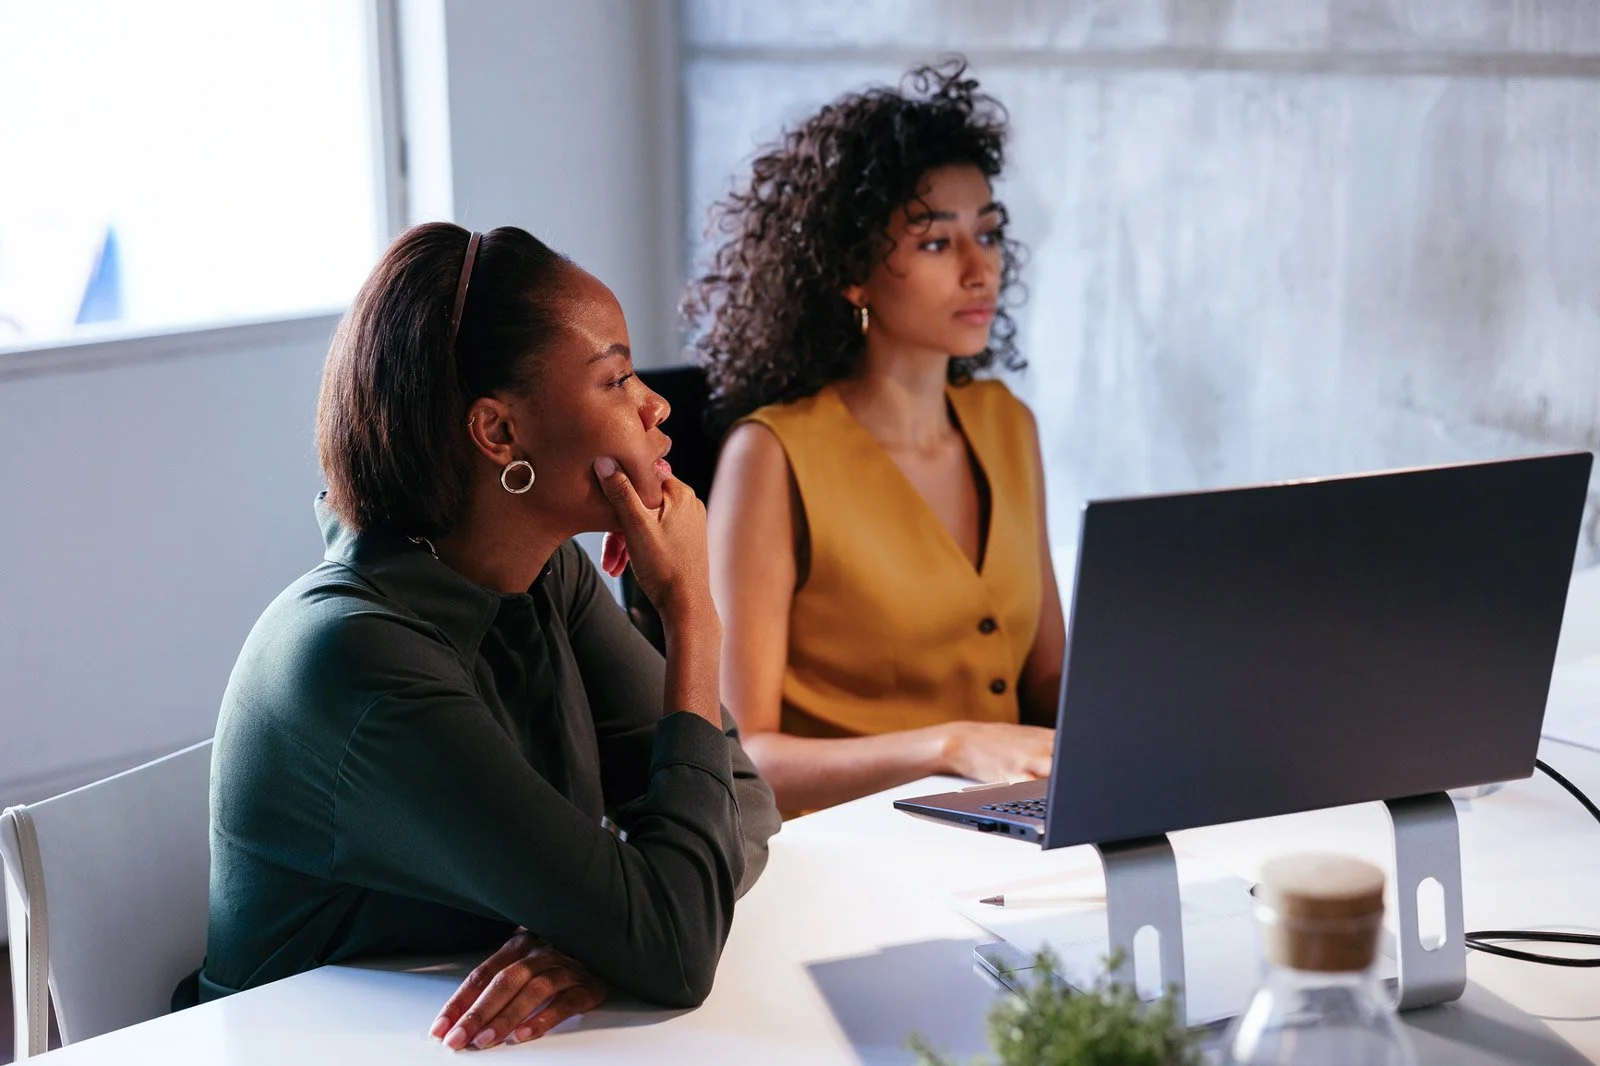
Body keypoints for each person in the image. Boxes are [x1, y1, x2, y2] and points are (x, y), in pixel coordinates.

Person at [187, 223, 780, 1051]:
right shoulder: (353, 657)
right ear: (499, 433)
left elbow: (743, 798)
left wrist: (612, 939)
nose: (655, 404)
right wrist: (689, 609)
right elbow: (677, 943)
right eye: (615, 380)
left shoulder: (542, 577)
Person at [685, 60, 1066, 814]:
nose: (980, 268)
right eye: (934, 243)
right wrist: (950, 746)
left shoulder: (1007, 425)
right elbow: (745, 754)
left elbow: (1050, 680)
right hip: (850, 851)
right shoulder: (773, 455)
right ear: (853, 274)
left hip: (1014, 831)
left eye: (987, 235)